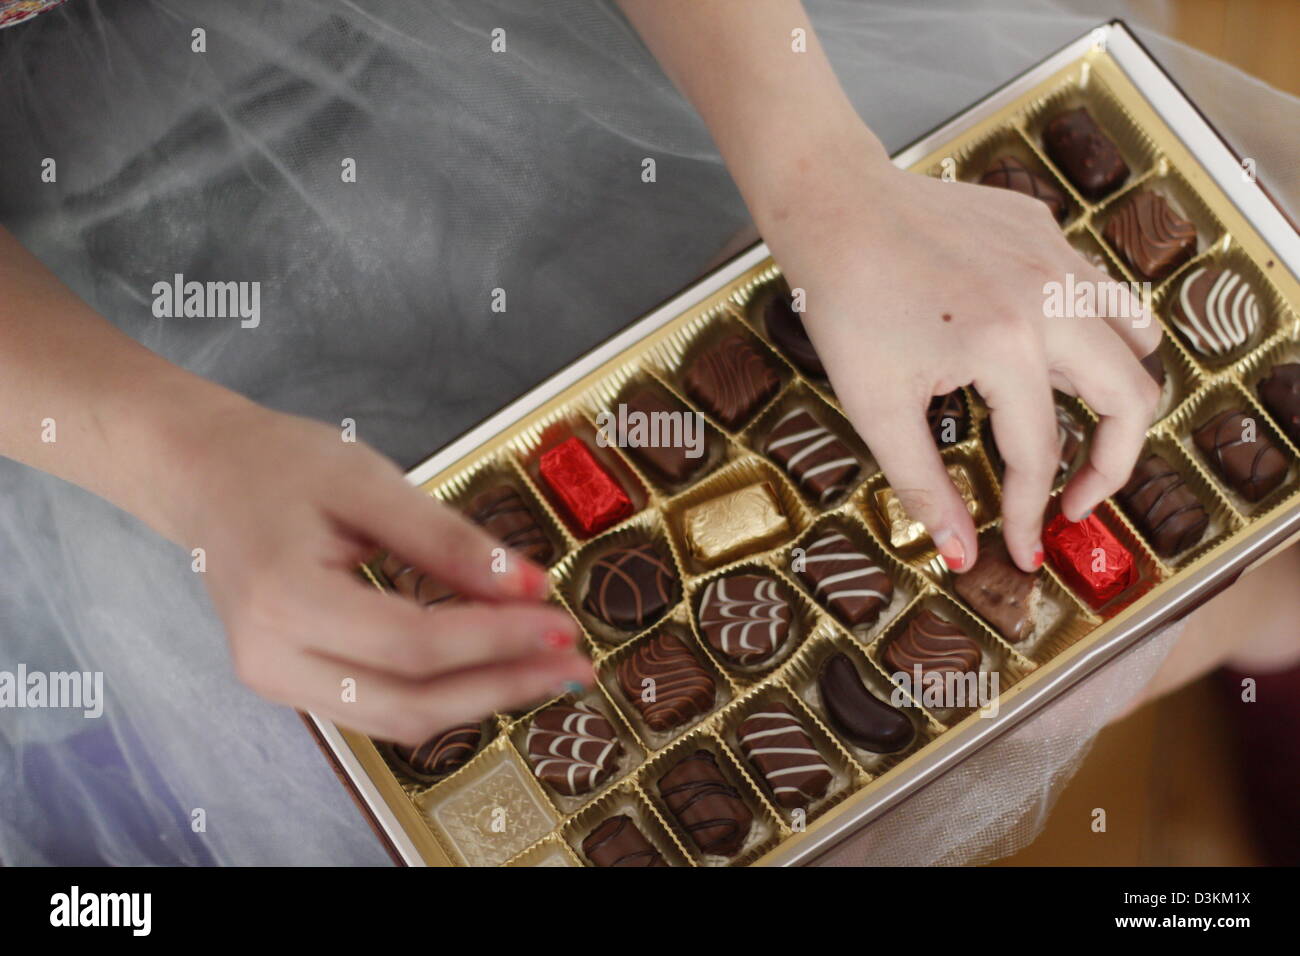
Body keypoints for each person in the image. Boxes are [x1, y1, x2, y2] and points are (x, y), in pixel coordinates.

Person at [1, 0, 1296, 864]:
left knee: (1183, 388)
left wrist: (821, 175)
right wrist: (187, 458)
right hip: (88, 315)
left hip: (590, 44)